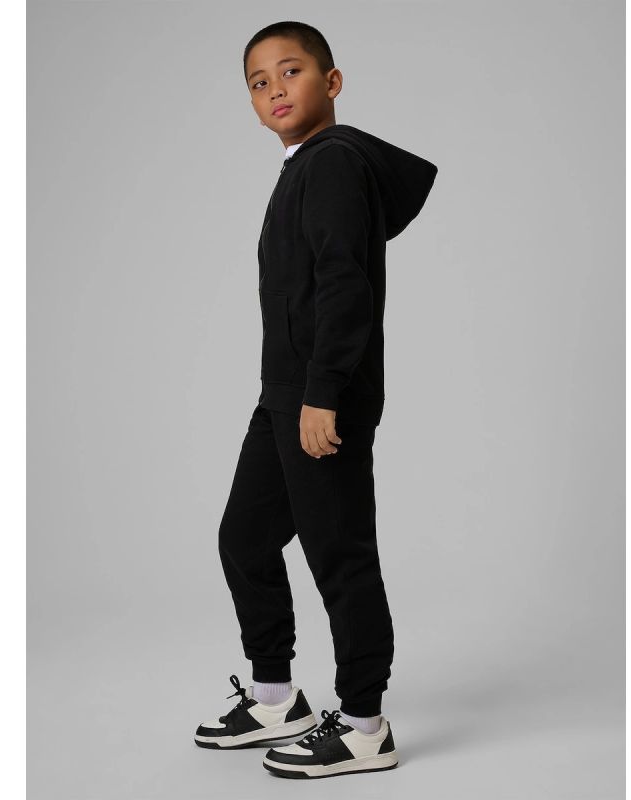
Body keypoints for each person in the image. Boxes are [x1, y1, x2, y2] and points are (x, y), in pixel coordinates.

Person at [194, 21, 438, 779]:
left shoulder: (331, 162)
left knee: (340, 555)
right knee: (244, 539)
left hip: (319, 400)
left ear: (331, 82)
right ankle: (277, 700)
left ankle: (364, 725)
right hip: (285, 396)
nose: (274, 89)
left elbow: (343, 286)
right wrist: (296, 393)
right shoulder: (304, 166)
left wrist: (324, 393)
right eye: (258, 82)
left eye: (290, 71)